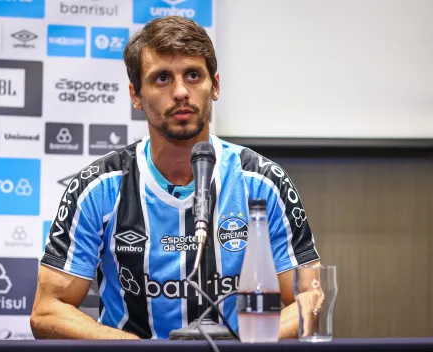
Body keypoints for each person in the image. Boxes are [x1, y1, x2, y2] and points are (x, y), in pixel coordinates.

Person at [31, 16, 320, 340]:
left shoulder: (264, 183)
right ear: (136, 95)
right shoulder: (98, 188)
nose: (181, 91)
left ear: (216, 85)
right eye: (162, 78)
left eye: (193, 75)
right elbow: (47, 310)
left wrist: (240, 347)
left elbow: (309, 297)